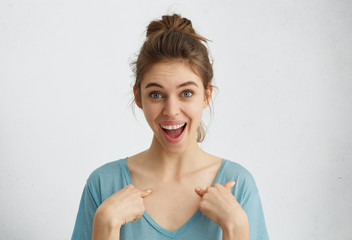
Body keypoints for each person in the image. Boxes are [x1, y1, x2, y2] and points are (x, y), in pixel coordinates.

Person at [71, 14, 269, 240]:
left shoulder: (238, 185)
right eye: (156, 94)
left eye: (186, 93)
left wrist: (236, 229)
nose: (171, 110)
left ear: (206, 96)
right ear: (139, 98)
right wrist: (105, 226)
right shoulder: (103, 185)